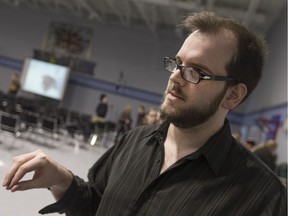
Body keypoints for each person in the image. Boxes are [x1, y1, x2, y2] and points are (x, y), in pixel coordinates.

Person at [2, 12, 287, 216]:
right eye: (177, 63)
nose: (175, 76)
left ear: (233, 95)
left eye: (196, 72)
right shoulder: (135, 141)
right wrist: (60, 178)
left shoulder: (262, 196)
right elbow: (96, 204)